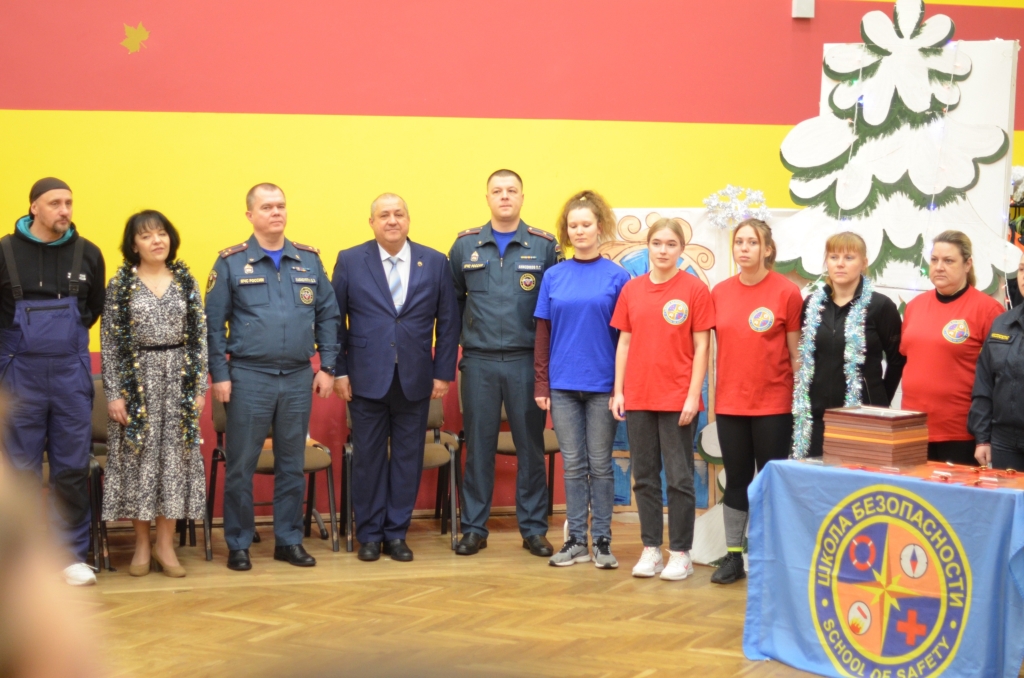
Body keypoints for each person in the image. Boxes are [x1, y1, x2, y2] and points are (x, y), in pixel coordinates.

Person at [205, 183, 340, 571]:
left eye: (280, 205)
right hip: (249, 377)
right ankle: (239, 543)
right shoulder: (231, 263)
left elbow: (328, 316)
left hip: (298, 376)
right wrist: (220, 374)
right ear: (250, 215)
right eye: (266, 207)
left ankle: (289, 540)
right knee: (241, 465)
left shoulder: (308, 260)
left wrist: (327, 367)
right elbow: (212, 325)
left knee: (291, 464)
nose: (276, 212)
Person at [332, 194, 460, 563]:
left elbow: (448, 322)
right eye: (384, 215)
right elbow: (333, 321)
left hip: (416, 379)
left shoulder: (434, 262)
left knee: (407, 459)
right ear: (371, 222)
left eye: (399, 214)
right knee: (368, 459)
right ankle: (370, 535)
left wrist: (442, 373)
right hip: (365, 378)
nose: (392, 220)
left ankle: (396, 533)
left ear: (408, 219)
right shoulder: (350, 260)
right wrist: (339, 370)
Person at [448, 169, 562, 557]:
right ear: (488, 198)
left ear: (522, 197)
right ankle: (474, 529)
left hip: (525, 361)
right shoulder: (464, 246)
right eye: (497, 191)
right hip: (478, 361)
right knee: (478, 447)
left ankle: (533, 529)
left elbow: (554, 309)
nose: (505, 196)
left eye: (512, 190)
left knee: (530, 448)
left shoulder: (544, 246)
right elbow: (453, 303)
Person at [0, 178, 105, 586]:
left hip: (69, 374)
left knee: (71, 468)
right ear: (34, 208)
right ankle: (21, 561)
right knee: (19, 470)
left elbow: (92, 308)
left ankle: (69, 557)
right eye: (55, 203)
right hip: (18, 373)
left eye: (69, 202)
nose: (65, 210)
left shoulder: (88, 253)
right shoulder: (4, 252)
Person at [100, 211, 208, 578]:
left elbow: (199, 339)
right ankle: (142, 544)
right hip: (137, 382)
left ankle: (165, 545)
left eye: (161, 233)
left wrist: (198, 388)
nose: (156, 241)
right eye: (146, 236)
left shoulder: (186, 281)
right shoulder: (120, 285)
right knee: (139, 463)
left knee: (173, 463)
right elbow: (110, 344)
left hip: (179, 381)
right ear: (134, 245)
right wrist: (115, 394)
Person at [610, 218, 714, 581]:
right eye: (657, 243)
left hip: (677, 399)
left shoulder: (694, 290)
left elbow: (702, 346)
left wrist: (693, 396)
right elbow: (624, 343)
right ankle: (651, 548)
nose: (663, 250)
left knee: (680, 478)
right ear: (648, 247)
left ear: (681, 249)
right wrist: (619, 391)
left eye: (671, 244)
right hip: (638, 396)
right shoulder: (632, 290)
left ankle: (681, 553)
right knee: (644, 477)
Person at [534, 190, 629, 569]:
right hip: (562, 387)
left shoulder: (618, 277)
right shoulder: (553, 276)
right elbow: (542, 334)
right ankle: (575, 540)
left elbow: (627, 338)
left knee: (600, 465)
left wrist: (621, 388)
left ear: (599, 227)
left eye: (586, 224)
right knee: (572, 466)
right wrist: (541, 384)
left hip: (603, 386)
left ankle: (602, 541)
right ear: (566, 231)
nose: (579, 230)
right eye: (573, 225)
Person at [709, 219, 802, 585]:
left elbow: (795, 354)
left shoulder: (787, 292)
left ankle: (768, 557)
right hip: (730, 404)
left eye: (752, 242)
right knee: (736, 480)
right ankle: (734, 557)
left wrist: (799, 403)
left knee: (769, 482)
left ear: (767, 249)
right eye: (739, 242)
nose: (744, 248)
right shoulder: (719, 292)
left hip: (774, 404)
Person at [791, 231, 905, 459]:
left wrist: (877, 399)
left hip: (863, 415)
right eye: (834, 257)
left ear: (864, 262)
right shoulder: (812, 305)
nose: (840, 264)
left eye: (849, 257)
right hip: (816, 416)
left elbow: (897, 360)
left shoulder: (881, 306)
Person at [901, 230, 1002, 465]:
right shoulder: (914, 307)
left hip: (960, 433)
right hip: (912, 429)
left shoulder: (988, 310)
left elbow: (998, 376)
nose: (939, 267)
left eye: (948, 261)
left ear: (967, 264)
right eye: (934, 260)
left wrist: (985, 436)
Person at [970, 252, 1024, 469]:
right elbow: (984, 384)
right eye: (1022, 269)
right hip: (1004, 441)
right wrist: (982, 437)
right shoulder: (1003, 323)